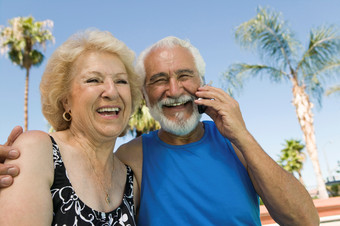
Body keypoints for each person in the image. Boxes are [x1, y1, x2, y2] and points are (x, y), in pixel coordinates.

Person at [0, 36, 319, 225]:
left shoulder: (235, 143)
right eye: (158, 80)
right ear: (146, 95)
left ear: (202, 84)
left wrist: (244, 136)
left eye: (185, 76)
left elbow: (305, 221)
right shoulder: (131, 158)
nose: (174, 89)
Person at [0, 29, 143, 225]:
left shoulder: (130, 180)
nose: (112, 91)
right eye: (94, 79)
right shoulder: (38, 151)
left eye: (121, 81)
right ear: (65, 100)